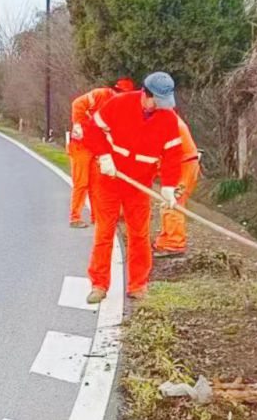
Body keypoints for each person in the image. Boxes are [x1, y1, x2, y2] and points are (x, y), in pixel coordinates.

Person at [82, 72, 184, 303]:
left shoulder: (168, 118)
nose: (160, 107)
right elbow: (92, 130)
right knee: (104, 232)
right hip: (110, 180)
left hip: (139, 185)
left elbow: (172, 155)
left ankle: (138, 285)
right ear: (145, 94)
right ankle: (99, 284)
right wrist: (104, 156)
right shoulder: (119, 104)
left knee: (139, 234)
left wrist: (168, 186)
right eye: (157, 101)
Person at [68, 77, 135, 228]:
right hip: (81, 145)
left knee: (97, 184)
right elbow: (77, 104)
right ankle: (75, 217)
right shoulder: (99, 94)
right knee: (81, 182)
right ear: (115, 90)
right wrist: (80, 123)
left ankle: (96, 216)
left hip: (97, 148)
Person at [153, 115, 200, 257]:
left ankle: (174, 244)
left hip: (183, 166)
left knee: (173, 203)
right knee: (168, 204)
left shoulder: (167, 124)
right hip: (182, 163)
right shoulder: (164, 118)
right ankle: (165, 241)